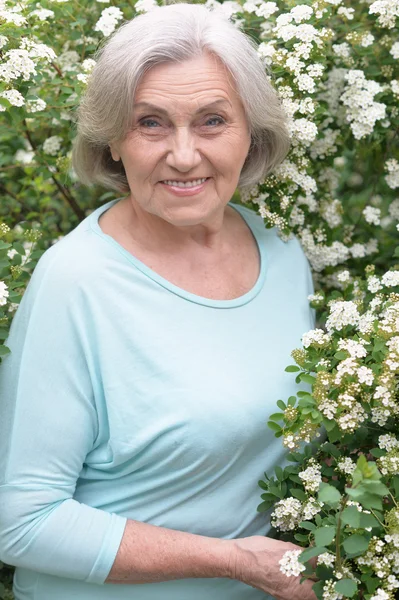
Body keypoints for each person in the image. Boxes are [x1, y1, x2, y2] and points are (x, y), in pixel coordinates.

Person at [0, 3, 317, 599]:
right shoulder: (77, 282)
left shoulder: (281, 253)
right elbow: (22, 521)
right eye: (150, 123)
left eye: (212, 121)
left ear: (252, 132)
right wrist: (234, 561)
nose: (183, 154)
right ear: (112, 141)